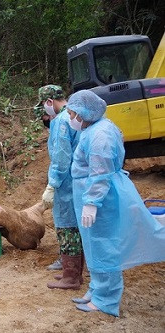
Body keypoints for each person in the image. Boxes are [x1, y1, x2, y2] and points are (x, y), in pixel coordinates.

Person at [66, 90, 165, 316]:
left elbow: (101, 173)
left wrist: (91, 202)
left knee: (104, 245)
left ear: (83, 113)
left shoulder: (100, 134)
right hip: (91, 195)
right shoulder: (92, 128)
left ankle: (106, 299)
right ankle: (96, 289)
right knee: (93, 244)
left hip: (101, 199)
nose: (71, 117)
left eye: (72, 113)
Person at [35, 85, 83, 286]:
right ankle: (72, 273)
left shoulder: (61, 122)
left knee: (67, 227)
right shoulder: (74, 117)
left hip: (66, 184)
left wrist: (52, 185)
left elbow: (61, 157)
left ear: (48, 102)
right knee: (74, 226)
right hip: (76, 181)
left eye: (43, 105)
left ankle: (71, 277)